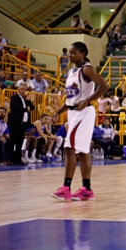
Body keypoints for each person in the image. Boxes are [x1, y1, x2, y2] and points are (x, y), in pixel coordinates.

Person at [51, 42, 110, 202]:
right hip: (73, 111)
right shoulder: (72, 71)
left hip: (84, 111)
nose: (69, 56)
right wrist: (58, 112)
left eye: (73, 53)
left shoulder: (87, 69)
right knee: (82, 151)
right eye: (69, 53)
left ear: (82, 53)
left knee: (69, 147)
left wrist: (87, 100)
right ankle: (86, 189)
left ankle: (66, 188)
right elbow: (71, 99)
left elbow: (104, 85)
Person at [6, 82, 32, 165]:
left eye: (24, 89)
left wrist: (28, 101)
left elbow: (32, 107)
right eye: (21, 89)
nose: (23, 91)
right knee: (12, 141)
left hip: (23, 124)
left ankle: (18, 159)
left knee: (20, 142)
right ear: (18, 89)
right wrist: (26, 109)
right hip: (15, 123)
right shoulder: (14, 97)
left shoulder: (25, 99)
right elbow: (17, 108)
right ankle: (9, 159)